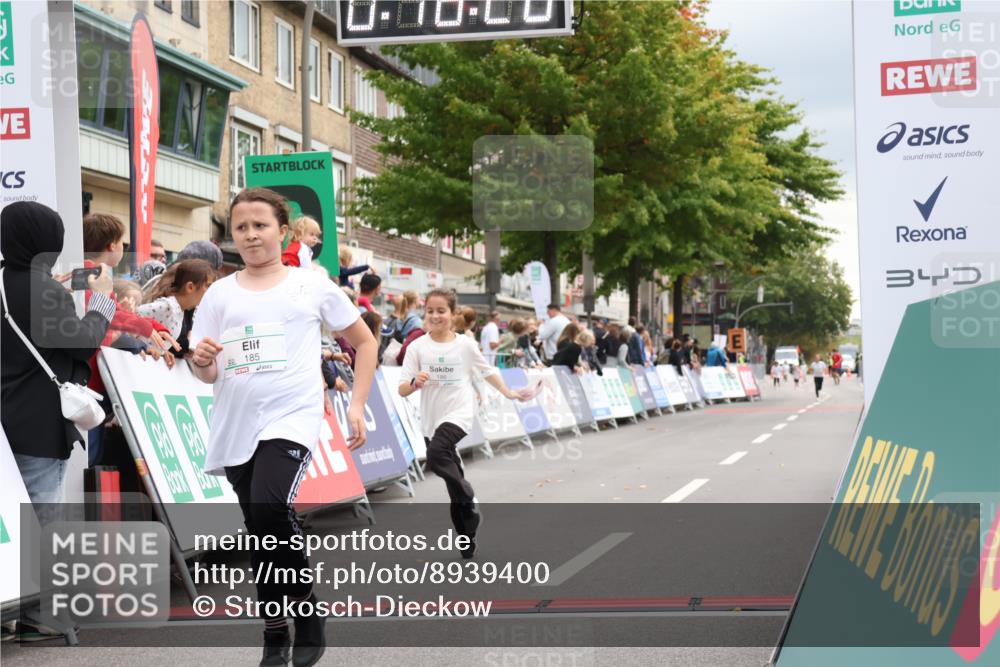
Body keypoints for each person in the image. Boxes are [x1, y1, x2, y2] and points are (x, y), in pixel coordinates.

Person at [189, 187, 377, 667]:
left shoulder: (310, 285)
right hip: (235, 421)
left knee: (271, 509)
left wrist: (356, 404)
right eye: (241, 227)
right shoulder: (219, 293)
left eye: (260, 225)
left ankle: (306, 611)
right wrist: (202, 360)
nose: (250, 235)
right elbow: (205, 370)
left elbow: (365, 342)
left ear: (282, 230)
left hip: (291, 415)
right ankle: (275, 631)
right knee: (260, 529)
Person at [1, 202, 118, 641]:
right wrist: (102, 300)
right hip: (37, 421)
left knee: (10, 521)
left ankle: (11, 610)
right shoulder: (42, 291)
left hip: (5, 419)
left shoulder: (11, 283)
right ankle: (41, 616)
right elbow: (82, 342)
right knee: (42, 519)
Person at [398, 289, 531, 559]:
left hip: (459, 413)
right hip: (431, 419)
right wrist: (415, 383)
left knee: (436, 455)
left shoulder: (465, 345)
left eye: (441, 311)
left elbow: (487, 371)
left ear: (453, 314)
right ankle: (467, 534)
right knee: (452, 485)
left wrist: (508, 392)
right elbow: (402, 388)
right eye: (430, 311)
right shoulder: (417, 347)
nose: (435, 316)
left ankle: (468, 496)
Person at [139, 259, 216, 356]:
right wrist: (143, 348)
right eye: (208, 286)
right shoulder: (167, 306)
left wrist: (164, 353)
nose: (212, 291)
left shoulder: (180, 310)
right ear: (190, 287)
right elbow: (131, 316)